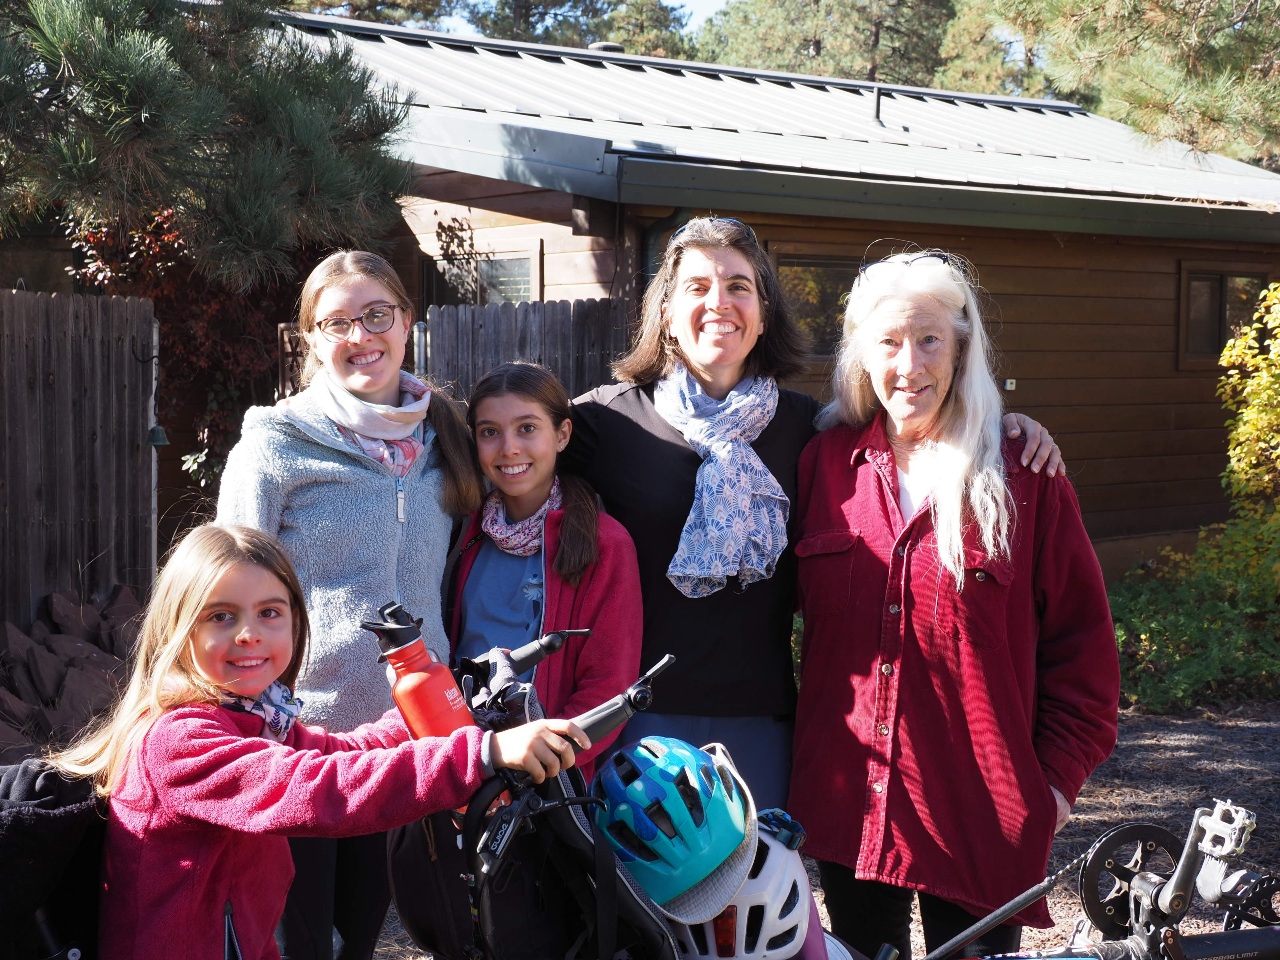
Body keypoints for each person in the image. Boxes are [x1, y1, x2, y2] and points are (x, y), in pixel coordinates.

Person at [564, 217, 1063, 811]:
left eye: (739, 286)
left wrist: (1005, 429)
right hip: (637, 722)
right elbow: (510, 447)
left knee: (759, 873)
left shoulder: (811, 429)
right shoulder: (605, 422)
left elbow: (916, 415)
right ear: (666, 314)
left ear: (763, 314)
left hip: (764, 725)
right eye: (697, 287)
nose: (719, 302)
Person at [44, 524, 588, 960]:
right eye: (221, 616)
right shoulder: (179, 740)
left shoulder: (252, 718)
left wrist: (434, 713)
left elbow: (338, 753)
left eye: (269, 613)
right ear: (179, 630)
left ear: (295, 623)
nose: (249, 633)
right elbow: (320, 786)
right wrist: (481, 755)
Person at [787, 250, 1119, 960]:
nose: (909, 364)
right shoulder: (823, 465)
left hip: (980, 817)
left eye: (929, 339)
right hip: (850, 804)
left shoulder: (1022, 474)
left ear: (961, 348)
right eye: (889, 341)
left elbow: (1084, 649)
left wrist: (1053, 787)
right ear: (861, 355)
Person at [216, 250, 482, 960]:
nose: (361, 336)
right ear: (310, 338)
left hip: (405, 739)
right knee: (297, 941)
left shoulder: (445, 441)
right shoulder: (274, 446)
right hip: (298, 742)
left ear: (407, 322)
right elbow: (224, 591)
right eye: (337, 322)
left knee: (362, 936)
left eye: (377, 315)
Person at [447, 361, 643, 779]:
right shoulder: (461, 532)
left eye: (527, 428)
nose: (508, 448)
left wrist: (545, 762)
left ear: (562, 434)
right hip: (464, 762)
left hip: (547, 780)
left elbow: (608, 686)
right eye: (489, 432)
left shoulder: (604, 544)